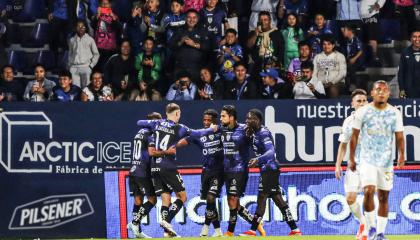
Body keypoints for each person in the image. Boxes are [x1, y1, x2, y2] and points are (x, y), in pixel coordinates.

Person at [136, 103, 217, 237]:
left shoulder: (157, 123)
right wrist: (212, 129)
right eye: (179, 114)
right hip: (168, 166)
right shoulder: (180, 127)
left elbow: (139, 122)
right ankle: (166, 220)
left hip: (154, 168)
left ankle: (167, 232)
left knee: (166, 198)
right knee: (183, 197)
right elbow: (198, 133)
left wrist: (155, 122)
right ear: (177, 113)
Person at [349, 80, 405, 240]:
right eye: (378, 89)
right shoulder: (363, 112)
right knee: (368, 191)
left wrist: (402, 155)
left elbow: (400, 136)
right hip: (367, 160)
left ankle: (380, 232)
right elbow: (354, 136)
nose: (381, 92)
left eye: (385, 90)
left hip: (386, 161)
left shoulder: (395, 113)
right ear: (372, 93)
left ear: (389, 93)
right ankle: (371, 226)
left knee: (383, 197)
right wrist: (352, 158)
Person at [239, 109, 301, 236]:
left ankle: (252, 230)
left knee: (262, 198)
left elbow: (271, 152)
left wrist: (258, 159)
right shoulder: (254, 133)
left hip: (270, 169)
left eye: (249, 118)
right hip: (267, 169)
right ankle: (295, 229)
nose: (246, 121)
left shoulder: (263, 133)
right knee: (278, 199)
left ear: (256, 120)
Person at [217, 105, 265, 236]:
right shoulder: (222, 129)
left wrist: (260, 158)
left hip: (240, 170)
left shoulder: (245, 130)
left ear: (231, 117)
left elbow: (259, 140)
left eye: (223, 116)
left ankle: (229, 232)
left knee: (233, 199)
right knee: (233, 204)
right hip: (227, 170)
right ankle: (256, 223)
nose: (220, 119)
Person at [176, 109, 224, 237]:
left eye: (209, 120)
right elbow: (186, 141)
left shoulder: (222, 131)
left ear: (215, 120)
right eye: (205, 120)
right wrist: (173, 146)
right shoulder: (200, 134)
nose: (206, 122)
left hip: (219, 172)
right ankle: (218, 231)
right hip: (206, 172)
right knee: (210, 202)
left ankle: (206, 227)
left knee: (210, 198)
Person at [335, 89, 368, 240]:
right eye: (358, 101)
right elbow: (343, 145)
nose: (361, 103)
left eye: (364, 100)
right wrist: (337, 165)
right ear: (352, 104)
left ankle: (368, 230)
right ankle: (363, 223)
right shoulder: (348, 121)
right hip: (354, 166)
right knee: (350, 198)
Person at [127, 112, 162, 239]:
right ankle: (135, 222)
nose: (160, 124)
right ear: (153, 122)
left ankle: (137, 232)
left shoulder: (140, 132)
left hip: (133, 169)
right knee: (153, 199)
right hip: (142, 171)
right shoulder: (151, 134)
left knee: (138, 200)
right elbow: (151, 153)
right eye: (158, 121)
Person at [170, 9, 210, 83]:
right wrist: (181, 41)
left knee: (194, 91)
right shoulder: (179, 30)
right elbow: (171, 46)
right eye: (189, 17)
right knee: (177, 91)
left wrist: (193, 44)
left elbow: (207, 47)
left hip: (196, 68)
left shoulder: (202, 31)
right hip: (180, 67)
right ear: (185, 18)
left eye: (194, 17)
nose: (191, 20)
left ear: (197, 19)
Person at [68, 20, 100, 89]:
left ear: (86, 28)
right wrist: (70, 65)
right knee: (76, 89)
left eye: (83, 26)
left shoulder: (90, 39)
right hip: (75, 68)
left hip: (86, 67)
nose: (80, 28)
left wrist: (91, 66)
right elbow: (70, 53)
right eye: (78, 26)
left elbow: (96, 54)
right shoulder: (72, 40)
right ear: (75, 28)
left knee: (86, 90)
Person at [92, 0, 121, 71]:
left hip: (110, 47)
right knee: (98, 68)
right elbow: (93, 26)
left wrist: (113, 17)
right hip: (98, 46)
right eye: (103, 3)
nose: (105, 5)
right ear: (100, 5)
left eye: (106, 3)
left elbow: (119, 29)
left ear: (110, 5)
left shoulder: (114, 16)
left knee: (107, 68)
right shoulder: (97, 15)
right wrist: (98, 15)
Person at [360, 0, 385, 65]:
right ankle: (365, 58)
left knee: (372, 38)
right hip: (360, 15)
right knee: (363, 39)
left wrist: (378, 5)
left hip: (372, 14)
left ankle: (373, 57)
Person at [398, 29, 420, 98]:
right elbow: (401, 72)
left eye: (419, 37)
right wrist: (401, 89)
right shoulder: (405, 52)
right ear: (411, 39)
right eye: (414, 36)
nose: (417, 39)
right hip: (409, 90)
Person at [342, 25, 364, 91]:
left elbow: (361, 50)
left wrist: (354, 59)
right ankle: (344, 86)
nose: (343, 32)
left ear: (350, 31)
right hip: (350, 60)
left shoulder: (356, 39)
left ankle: (353, 85)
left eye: (345, 30)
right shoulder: (347, 41)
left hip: (357, 61)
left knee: (351, 66)